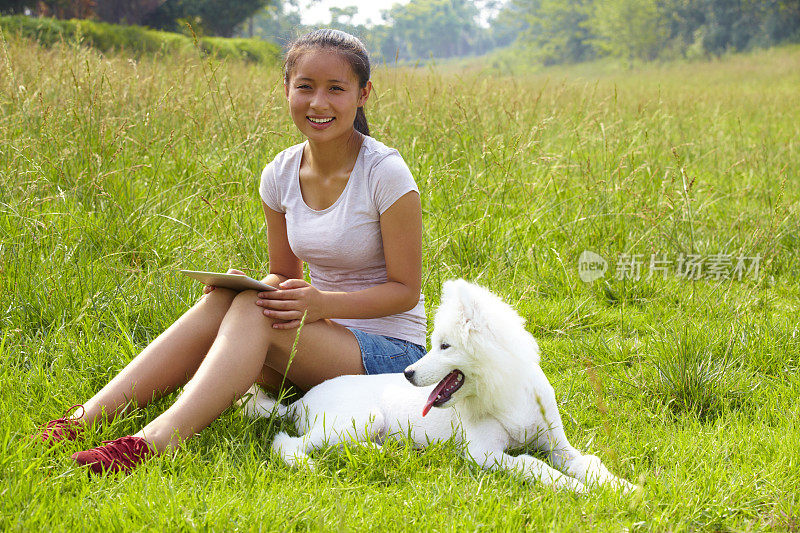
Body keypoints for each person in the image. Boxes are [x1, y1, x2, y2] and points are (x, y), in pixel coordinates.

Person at [32, 29, 427, 474]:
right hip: (319, 341)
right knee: (229, 300)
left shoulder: (385, 172)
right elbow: (283, 273)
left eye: (336, 89)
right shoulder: (279, 173)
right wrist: (247, 288)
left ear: (363, 95)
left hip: (390, 357)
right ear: (286, 90)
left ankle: (151, 443)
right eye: (305, 87)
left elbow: (405, 291)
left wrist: (321, 304)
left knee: (252, 311)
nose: (319, 103)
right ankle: (83, 421)